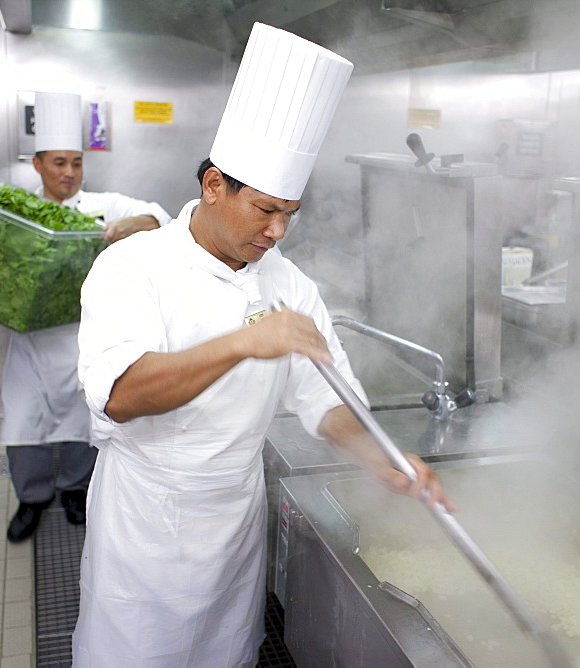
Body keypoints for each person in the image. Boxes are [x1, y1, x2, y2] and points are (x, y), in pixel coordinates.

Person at [72, 24, 454, 666]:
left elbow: (327, 401)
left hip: (234, 515)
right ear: (214, 184)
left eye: (291, 213)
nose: (278, 231)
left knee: (227, 654)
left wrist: (380, 455)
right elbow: (121, 395)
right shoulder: (132, 266)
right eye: (266, 210)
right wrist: (245, 343)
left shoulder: (291, 287)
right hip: (145, 518)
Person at [3, 91, 171, 543]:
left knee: (82, 415)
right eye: (59, 163)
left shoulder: (99, 205)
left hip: (81, 337)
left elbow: (156, 216)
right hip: (32, 337)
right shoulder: (16, 211)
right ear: (37, 165)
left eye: (76, 163)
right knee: (24, 418)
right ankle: (32, 497)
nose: (70, 173)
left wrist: (128, 226)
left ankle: (75, 489)